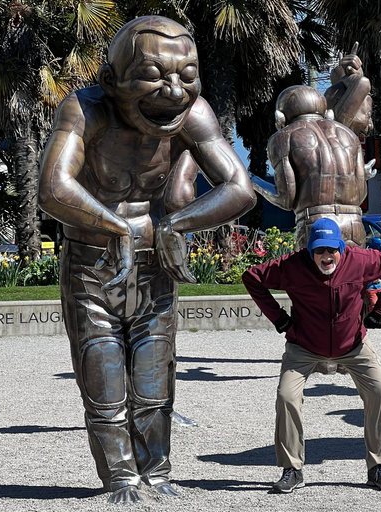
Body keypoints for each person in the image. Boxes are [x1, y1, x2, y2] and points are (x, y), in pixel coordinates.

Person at [38, 16, 256, 504]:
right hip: (91, 265)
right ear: (111, 80)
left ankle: (157, 472)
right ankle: (119, 477)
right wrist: (113, 225)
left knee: (156, 382)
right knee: (104, 374)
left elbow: (239, 187)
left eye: (187, 75)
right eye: (155, 74)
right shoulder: (85, 110)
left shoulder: (194, 114)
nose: (174, 91)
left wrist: (177, 225)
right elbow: (53, 187)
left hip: (155, 267)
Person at [242, 218, 381, 494]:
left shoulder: (361, 260)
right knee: (286, 396)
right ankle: (292, 469)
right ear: (310, 251)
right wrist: (279, 318)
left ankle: (379, 466)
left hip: (352, 345)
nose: (326, 256)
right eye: (319, 250)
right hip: (304, 347)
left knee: (380, 392)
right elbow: (252, 277)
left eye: (331, 249)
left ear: (341, 247)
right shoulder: (291, 266)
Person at [252, 84, 372, 249]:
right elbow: (361, 194)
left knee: (313, 275)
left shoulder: (284, 137)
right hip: (354, 224)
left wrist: (253, 181)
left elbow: (286, 199)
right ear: (327, 113)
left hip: (316, 225)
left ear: (280, 118)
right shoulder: (349, 135)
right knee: (354, 274)